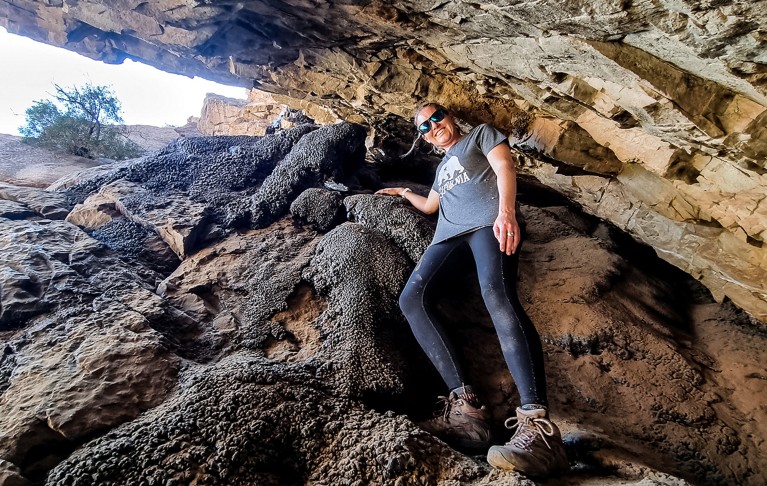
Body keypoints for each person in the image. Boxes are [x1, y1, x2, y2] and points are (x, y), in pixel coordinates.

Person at [376, 103, 568, 478]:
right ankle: (467, 410)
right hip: (447, 239)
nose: (433, 127)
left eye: (436, 119)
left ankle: (538, 427)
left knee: (496, 296)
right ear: (424, 137)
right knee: (411, 299)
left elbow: (503, 167)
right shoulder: (441, 167)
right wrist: (402, 191)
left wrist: (507, 212)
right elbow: (432, 206)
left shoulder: (480, 135)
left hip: (487, 225)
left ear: (450, 118)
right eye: (424, 127)